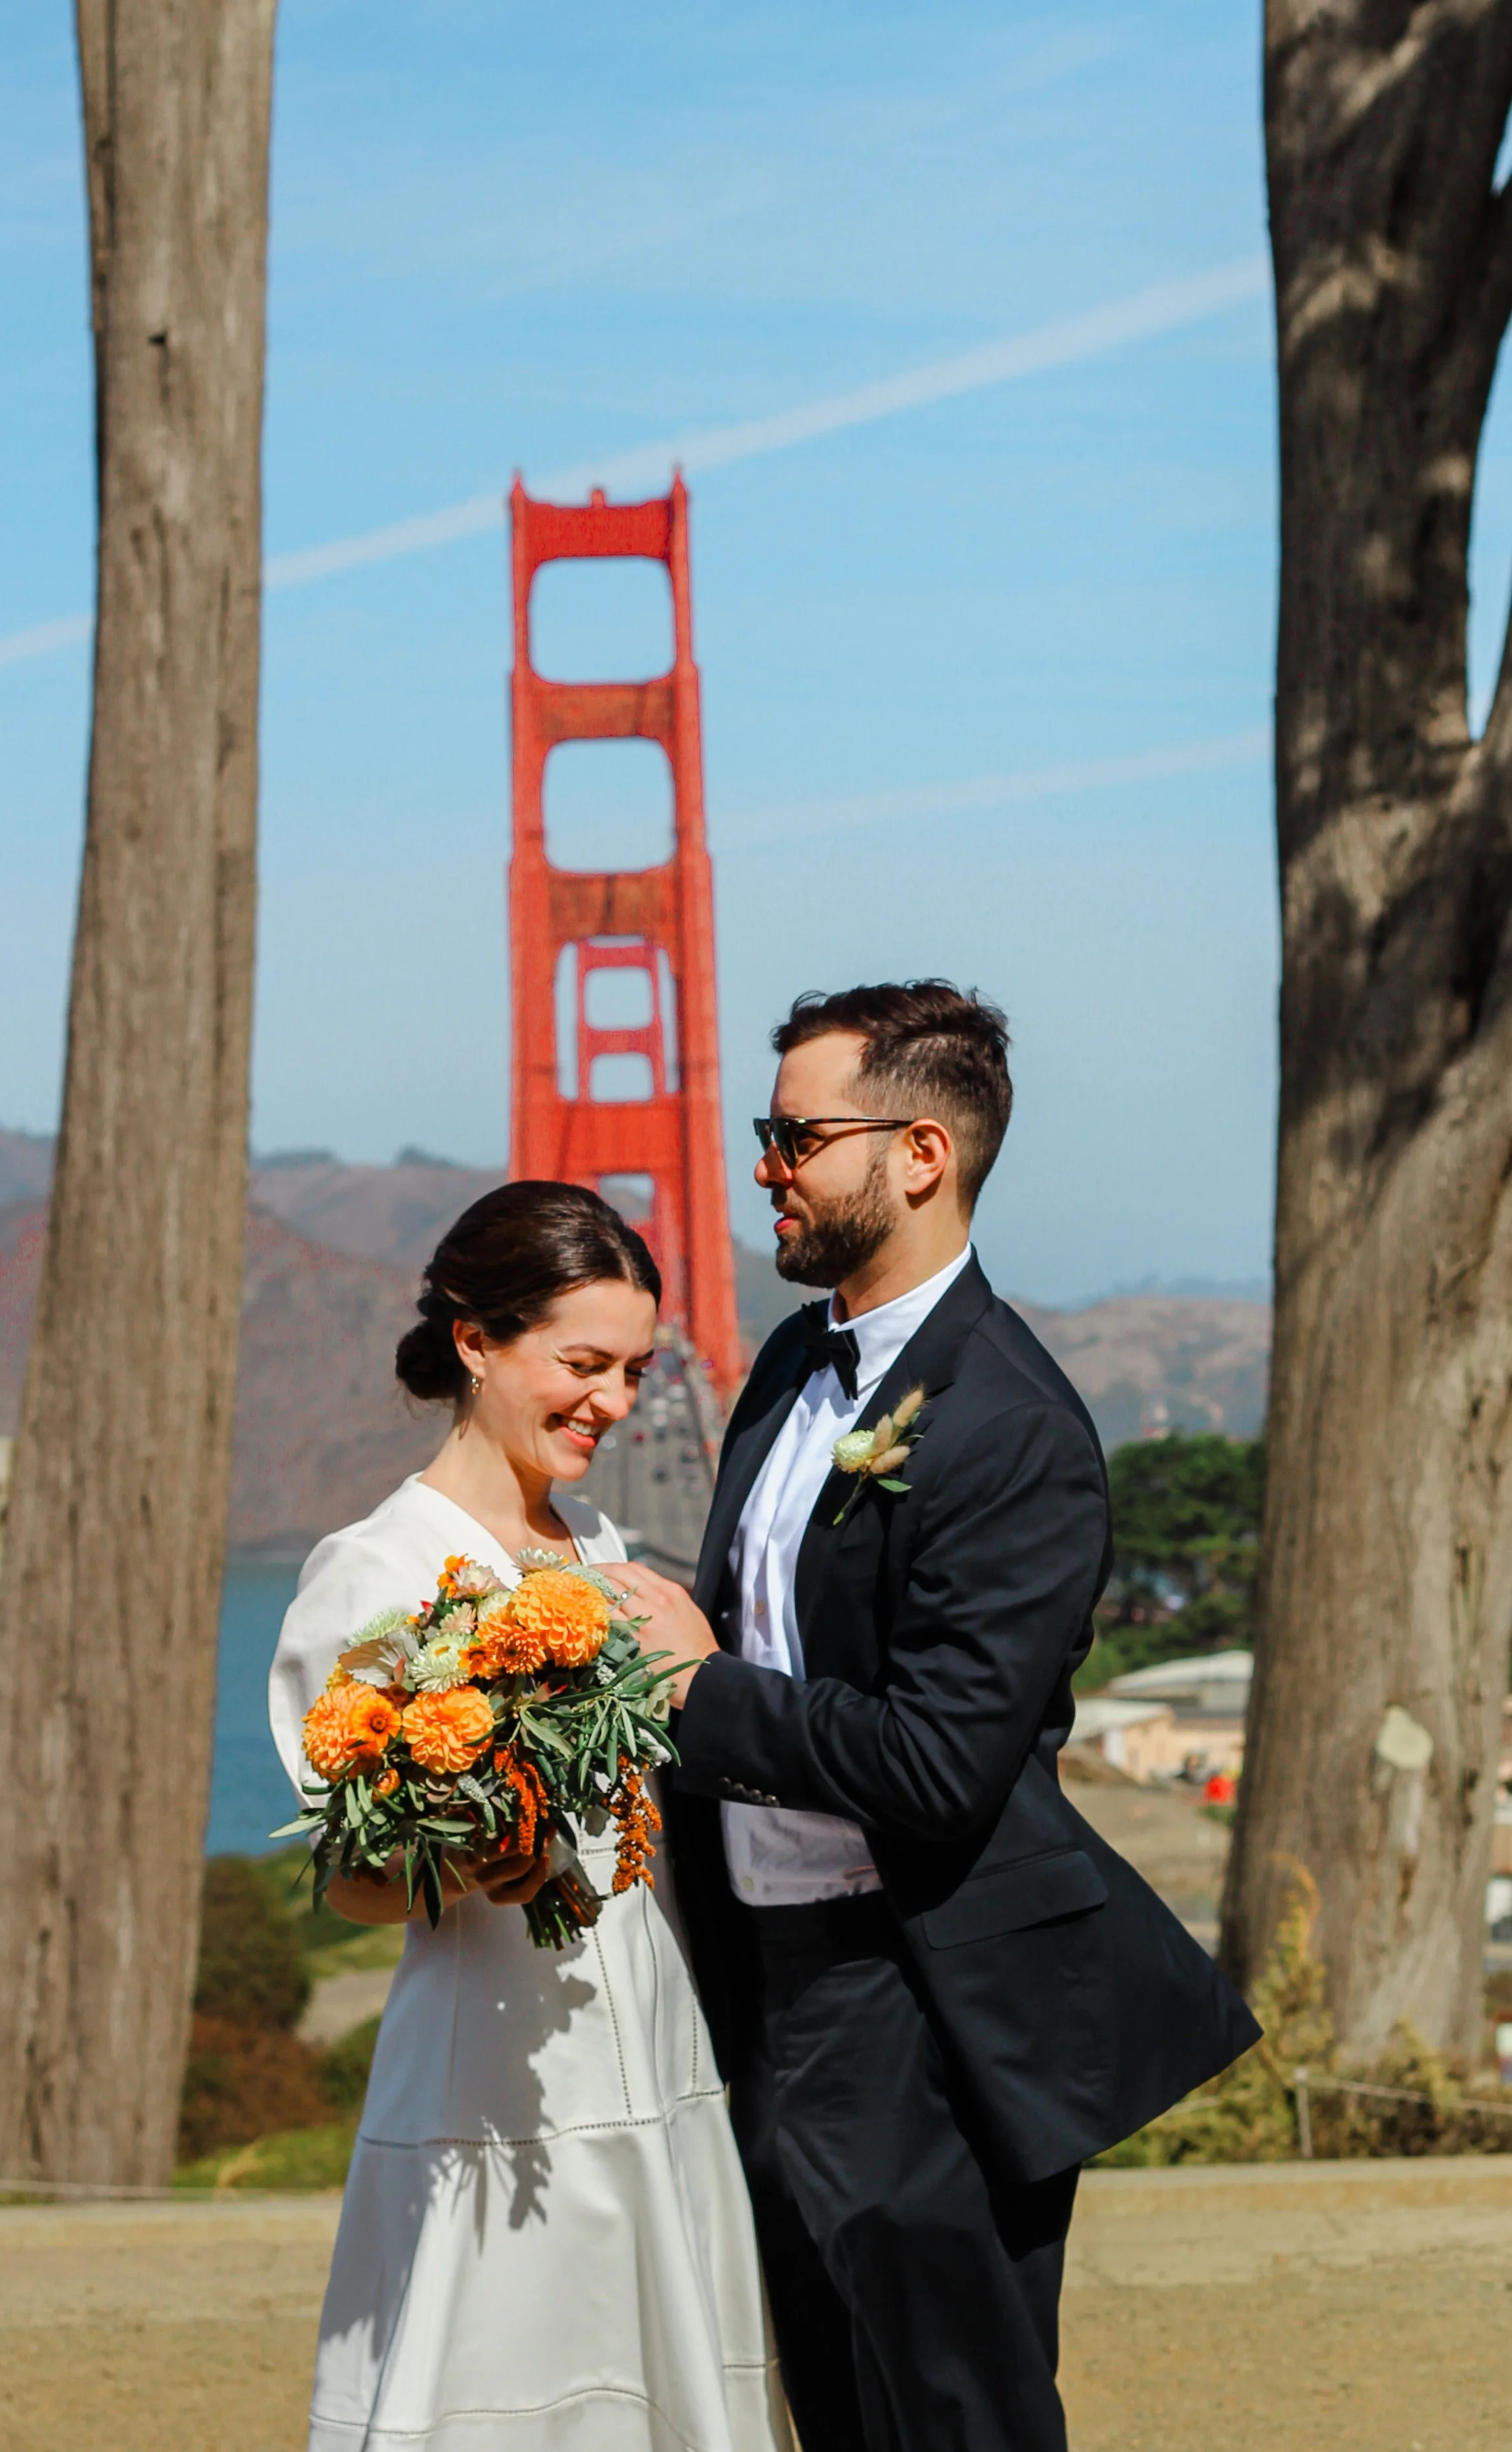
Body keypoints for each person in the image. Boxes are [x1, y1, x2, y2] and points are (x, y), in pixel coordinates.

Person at [613, 981, 1260, 2452]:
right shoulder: (787, 1365)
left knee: (958, 2421)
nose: (762, 1167)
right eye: (759, 1134)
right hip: (755, 1982)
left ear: (916, 1154)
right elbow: (776, 1630)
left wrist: (694, 1694)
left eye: (794, 1135)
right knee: (828, 2408)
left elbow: (939, 1762)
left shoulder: (1012, 1428)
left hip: (919, 1995)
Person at [269, 1181, 787, 2452]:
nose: (612, 1403)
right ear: (474, 1341)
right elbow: (347, 1876)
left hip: (655, 2040)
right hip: (495, 2070)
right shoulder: (376, 1569)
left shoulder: (599, 1540)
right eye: (582, 1364)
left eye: (633, 1370)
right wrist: (470, 1855)